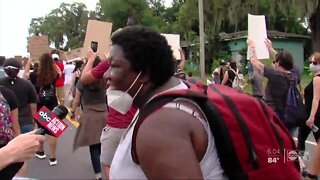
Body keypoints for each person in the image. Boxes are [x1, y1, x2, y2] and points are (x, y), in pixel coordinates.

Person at [107, 27, 225, 179]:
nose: (105, 75)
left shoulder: (160, 128)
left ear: (144, 74)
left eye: (114, 66)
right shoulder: (163, 98)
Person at [80, 49, 137, 179]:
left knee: (108, 163)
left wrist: (90, 60)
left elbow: (84, 79)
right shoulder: (143, 61)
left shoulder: (111, 62)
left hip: (117, 124)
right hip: (139, 122)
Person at [248, 39, 296, 134]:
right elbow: (283, 60)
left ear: (278, 63)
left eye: (275, 61)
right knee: (287, 144)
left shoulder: (276, 75)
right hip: (290, 116)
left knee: (275, 144)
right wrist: (270, 48)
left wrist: (252, 46)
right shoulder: (293, 76)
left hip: (275, 116)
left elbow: (255, 62)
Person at [71, 57, 107, 180]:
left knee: (94, 147)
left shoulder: (83, 81)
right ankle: (107, 169)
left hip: (89, 115)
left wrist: (72, 111)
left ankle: (98, 175)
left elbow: (76, 99)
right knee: (103, 144)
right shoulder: (105, 79)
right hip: (104, 114)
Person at [25, 53, 62, 166]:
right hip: (53, 105)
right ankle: (52, 157)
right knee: (53, 132)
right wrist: (53, 63)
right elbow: (60, 72)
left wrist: (29, 61)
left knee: (41, 129)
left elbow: (26, 74)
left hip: (40, 105)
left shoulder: (35, 75)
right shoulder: (53, 74)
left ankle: (40, 151)